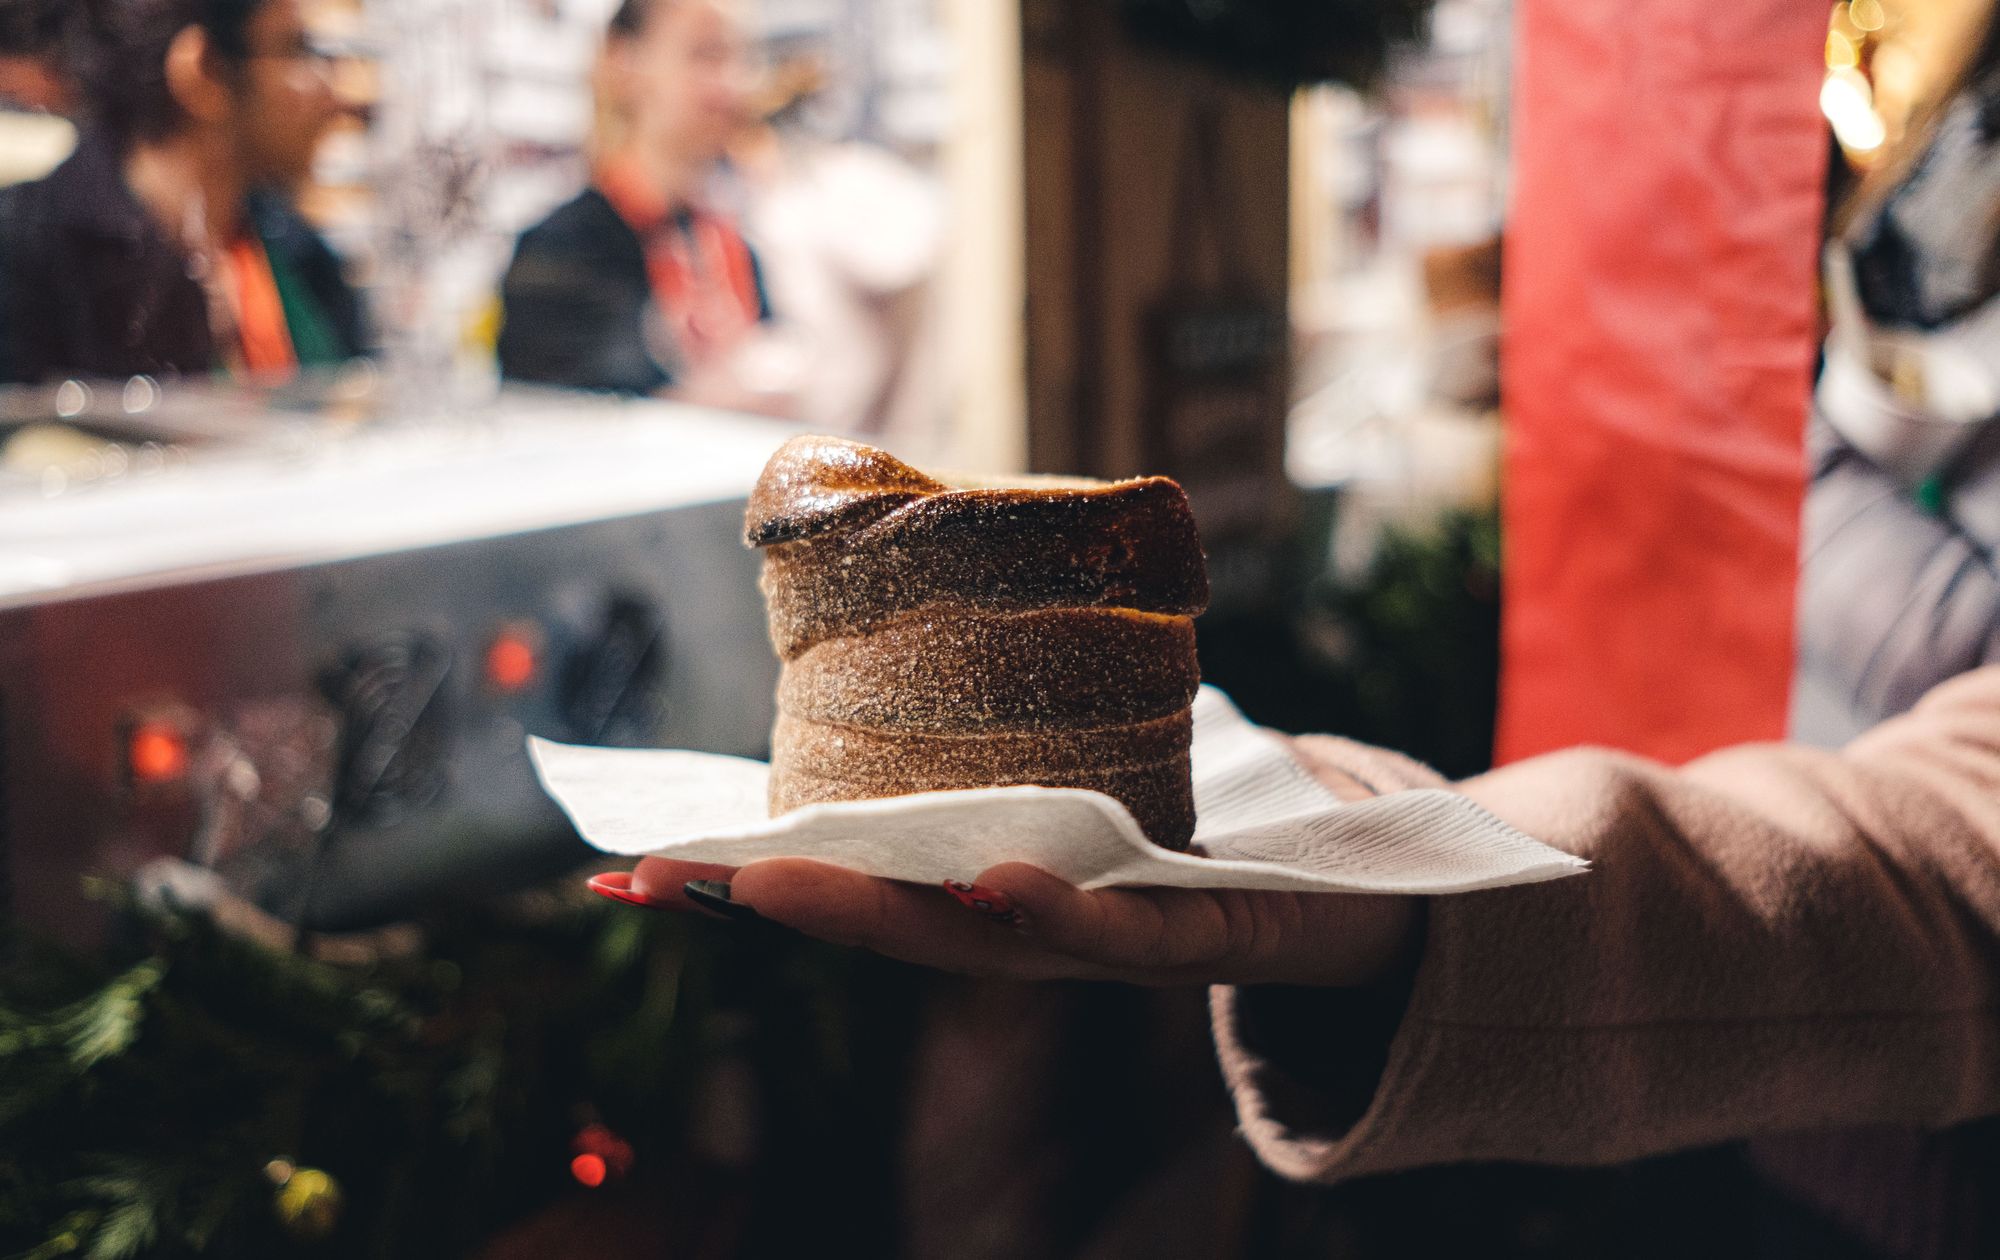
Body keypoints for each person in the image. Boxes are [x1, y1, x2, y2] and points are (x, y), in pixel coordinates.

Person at [0, 0, 365, 384]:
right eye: (297, 50)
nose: (336, 93)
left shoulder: (298, 253)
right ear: (203, 72)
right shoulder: (23, 260)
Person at [495, 0, 770, 399]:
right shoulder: (559, 250)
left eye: (743, 58)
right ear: (624, 63)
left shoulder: (734, 246)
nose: (731, 83)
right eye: (704, 54)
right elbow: (558, 415)